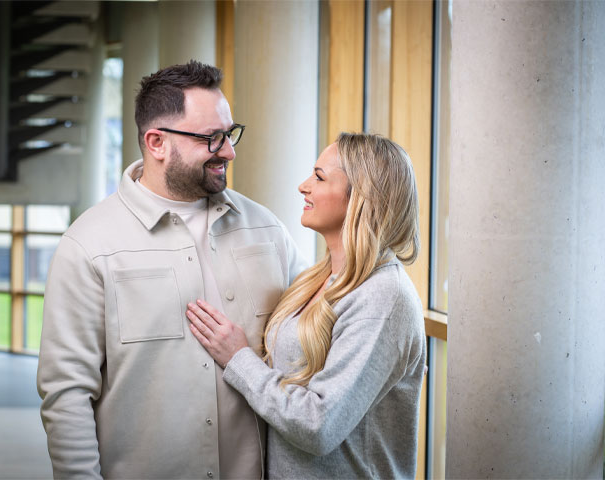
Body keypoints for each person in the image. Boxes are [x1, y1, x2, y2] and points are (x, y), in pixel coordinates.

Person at [36, 61, 307, 479]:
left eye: (230, 134)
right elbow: (67, 394)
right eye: (212, 138)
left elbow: (309, 345)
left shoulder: (268, 229)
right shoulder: (88, 245)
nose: (229, 151)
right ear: (157, 142)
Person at [187, 132, 426, 479]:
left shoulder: (384, 297)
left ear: (361, 196)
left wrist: (238, 358)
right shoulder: (318, 278)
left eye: (319, 177)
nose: (303, 186)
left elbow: (318, 425)